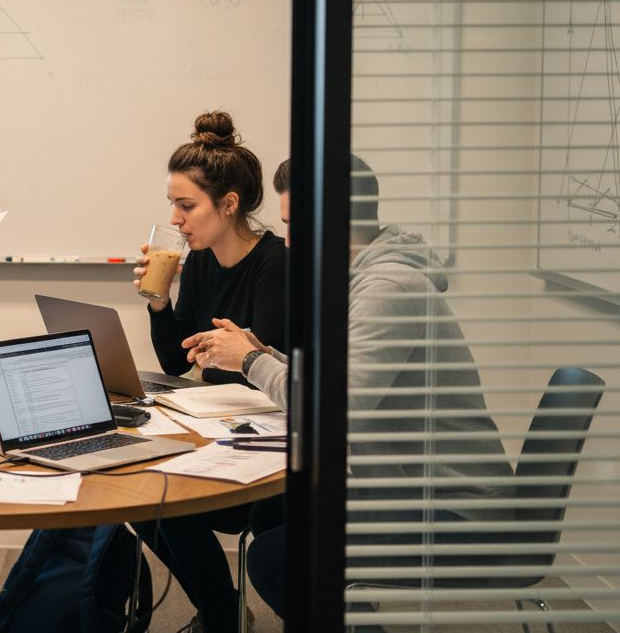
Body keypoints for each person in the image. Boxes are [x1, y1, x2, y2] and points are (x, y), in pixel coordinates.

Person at [185, 156, 514, 624]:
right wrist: (264, 353)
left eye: (298, 223)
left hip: (456, 510)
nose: (291, 240)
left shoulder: (389, 287)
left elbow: (333, 408)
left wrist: (251, 361)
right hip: (408, 487)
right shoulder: (362, 279)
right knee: (269, 515)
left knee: (276, 561)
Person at [130, 110, 287, 633]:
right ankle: (223, 610)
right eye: (172, 204)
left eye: (185, 205)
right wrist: (158, 300)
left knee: (168, 500)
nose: (175, 219)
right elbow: (177, 362)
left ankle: (220, 617)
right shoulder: (195, 260)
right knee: (139, 491)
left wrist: (234, 349)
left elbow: (266, 362)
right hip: (221, 427)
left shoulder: (276, 263)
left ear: (229, 204)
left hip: (272, 445)